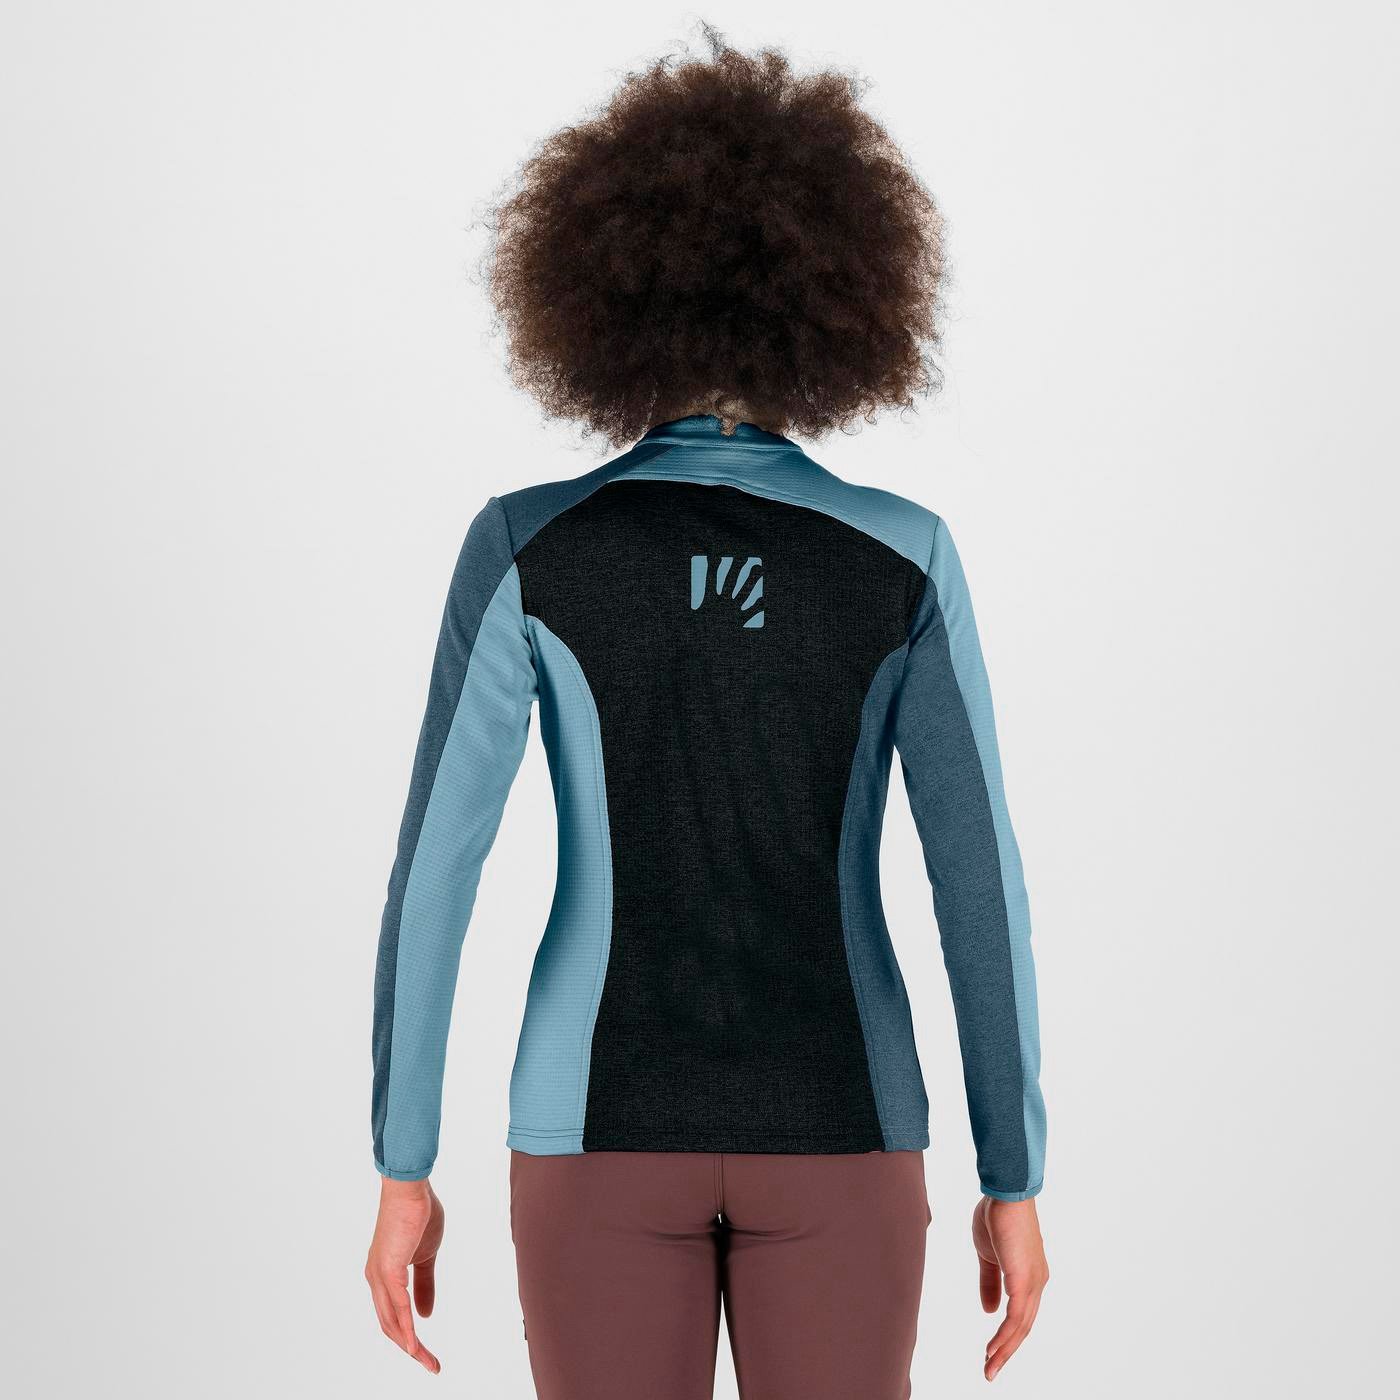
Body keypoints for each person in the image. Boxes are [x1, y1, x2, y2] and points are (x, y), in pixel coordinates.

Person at [365, 30, 1048, 1399]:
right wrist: (1012, 1175)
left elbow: (435, 871)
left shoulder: (529, 547)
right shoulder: (903, 556)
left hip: (592, 1131)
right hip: (845, 1125)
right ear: (840, 298)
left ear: (602, 292)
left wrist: (403, 1162)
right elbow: (980, 887)